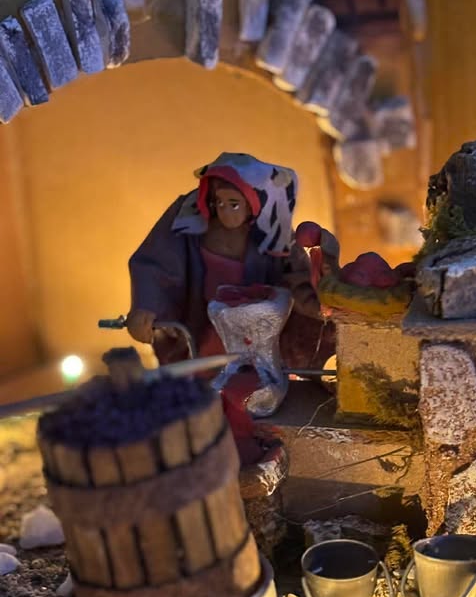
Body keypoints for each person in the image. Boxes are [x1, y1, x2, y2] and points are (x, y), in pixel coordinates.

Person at [126, 152, 337, 463]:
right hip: (207, 332)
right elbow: (156, 265)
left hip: (261, 339)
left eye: (234, 204)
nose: (224, 211)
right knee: (205, 400)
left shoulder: (272, 232)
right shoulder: (187, 226)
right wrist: (147, 307)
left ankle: (256, 449)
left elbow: (299, 279)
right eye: (219, 202)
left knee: (257, 398)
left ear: (253, 203)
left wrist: (320, 299)